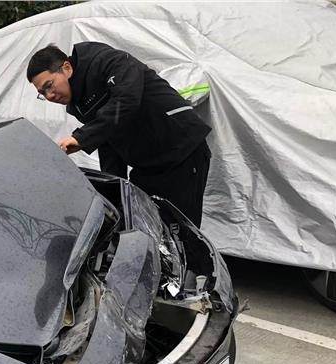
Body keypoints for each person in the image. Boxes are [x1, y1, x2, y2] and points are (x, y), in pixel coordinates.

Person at [27, 43, 212, 227]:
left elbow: (127, 100)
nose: (49, 96)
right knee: (142, 224)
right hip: (148, 165)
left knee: (179, 231)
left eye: (49, 85)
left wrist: (81, 138)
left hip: (182, 149)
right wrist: (113, 192)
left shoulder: (107, 61)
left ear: (66, 68)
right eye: (43, 93)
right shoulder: (78, 105)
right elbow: (108, 139)